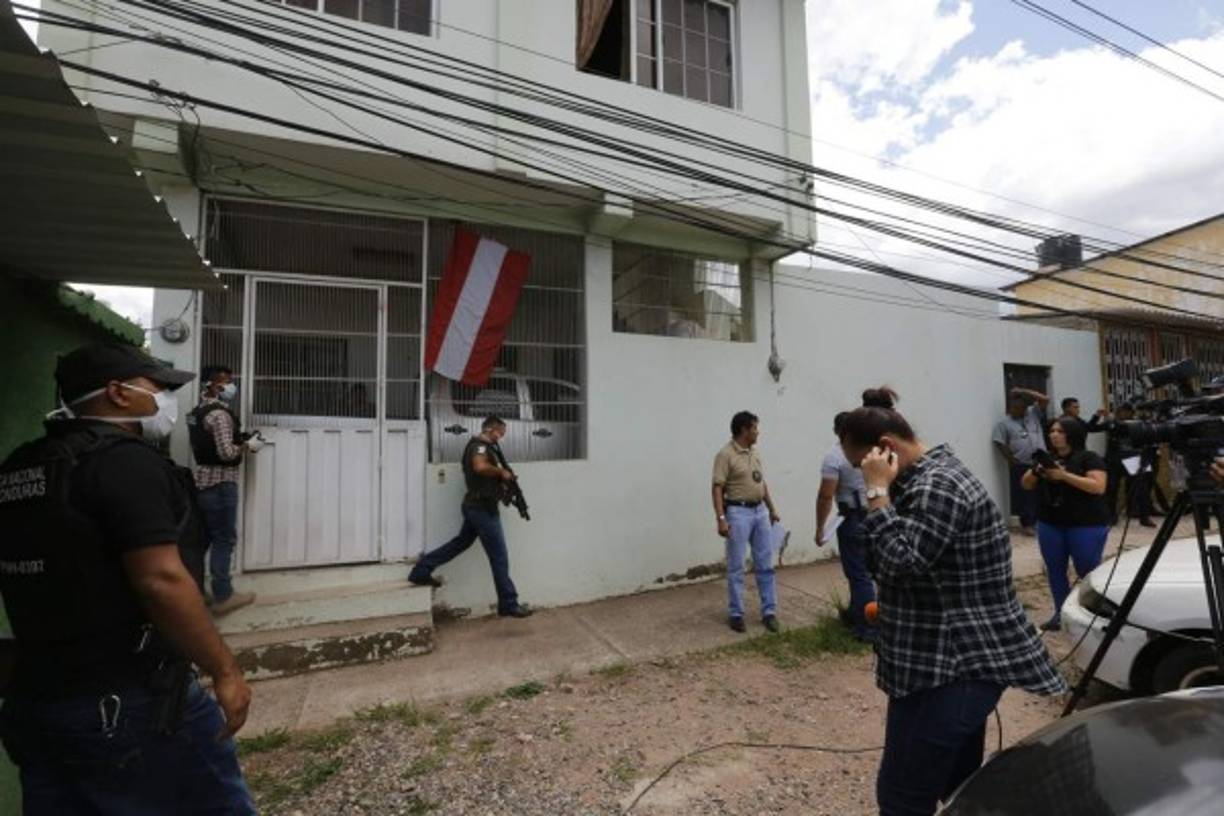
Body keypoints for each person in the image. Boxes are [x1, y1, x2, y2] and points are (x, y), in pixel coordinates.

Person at [0, 343, 254, 814]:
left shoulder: (22, 465)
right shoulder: (124, 461)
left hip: (36, 696)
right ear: (118, 392)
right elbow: (160, 579)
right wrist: (224, 669)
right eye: (156, 388)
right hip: (128, 700)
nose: (163, 399)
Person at [841, 393, 1065, 816]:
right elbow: (890, 561)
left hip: (955, 667)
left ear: (885, 448)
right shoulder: (911, 484)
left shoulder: (937, 486)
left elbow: (900, 562)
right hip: (929, 665)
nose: (862, 474)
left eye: (861, 463)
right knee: (958, 785)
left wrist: (874, 491)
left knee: (903, 795)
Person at [408, 416, 532, 618]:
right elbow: (480, 467)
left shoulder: (487, 446)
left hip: (477, 507)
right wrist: (502, 472)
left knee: (460, 543)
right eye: (500, 433)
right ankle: (509, 603)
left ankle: (421, 570)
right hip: (482, 509)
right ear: (490, 429)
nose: (501, 437)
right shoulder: (479, 447)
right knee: (499, 556)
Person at [1021, 418, 1110, 631]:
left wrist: (1063, 476)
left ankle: (1093, 614)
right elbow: (1025, 484)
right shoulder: (1047, 458)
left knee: (1087, 570)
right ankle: (1061, 614)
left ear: (1072, 434)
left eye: (1060, 431)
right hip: (1051, 524)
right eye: (1052, 431)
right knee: (1055, 570)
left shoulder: (1089, 458)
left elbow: (1098, 487)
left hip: (1085, 524)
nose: (1054, 434)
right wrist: (1037, 471)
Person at [188, 365, 260, 615]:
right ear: (212, 385)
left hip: (203, 481)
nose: (230, 387)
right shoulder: (220, 415)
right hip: (221, 484)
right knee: (224, 539)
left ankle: (196, 591)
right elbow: (226, 452)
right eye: (225, 382)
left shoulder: (196, 412)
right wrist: (248, 445)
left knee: (205, 538)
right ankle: (224, 595)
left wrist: (239, 439)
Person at [712, 411, 781, 633]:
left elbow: (762, 483)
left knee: (765, 564)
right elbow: (717, 488)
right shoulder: (725, 455)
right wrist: (721, 519)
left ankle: (769, 612)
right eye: (754, 428)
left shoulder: (755, 453)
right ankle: (736, 614)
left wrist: (771, 509)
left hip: (759, 512)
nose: (757, 432)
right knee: (736, 566)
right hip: (738, 512)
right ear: (744, 430)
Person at [817, 412, 875, 641]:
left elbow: (825, 495)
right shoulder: (870, 451)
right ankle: (856, 614)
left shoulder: (834, 456)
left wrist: (820, 527)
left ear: (836, 431)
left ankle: (868, 627)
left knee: (858, 574)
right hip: (873, 513)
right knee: (867, 572)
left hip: (852, 518)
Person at [992, 388, 1049, 536]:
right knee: (1026, 495)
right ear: (1010, 408)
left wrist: (1023, 391)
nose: (1019, 411)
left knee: (1043, 492)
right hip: (1022, 464)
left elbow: (1045, 399)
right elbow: (999, 442)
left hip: (1041, 461)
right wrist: (1011, 460)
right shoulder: (1004, 424)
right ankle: (1028, 524)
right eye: (1015, 408)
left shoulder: (1033, 414)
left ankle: (1042, 521)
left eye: (1022, 408)